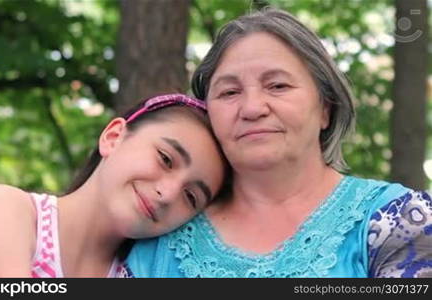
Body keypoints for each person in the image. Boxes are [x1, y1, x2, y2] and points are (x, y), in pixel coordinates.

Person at [124, 8, 432, 278]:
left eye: (278, 86)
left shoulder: (397, 220)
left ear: (326, 108)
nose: (252, 108)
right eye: (229, 92)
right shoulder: (161, 236)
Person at [0, 93, 228, 277]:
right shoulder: (4, 210)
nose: (167, 194)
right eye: (165, 159)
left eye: (190, 197)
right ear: (113, 137)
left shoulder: (136, 274)